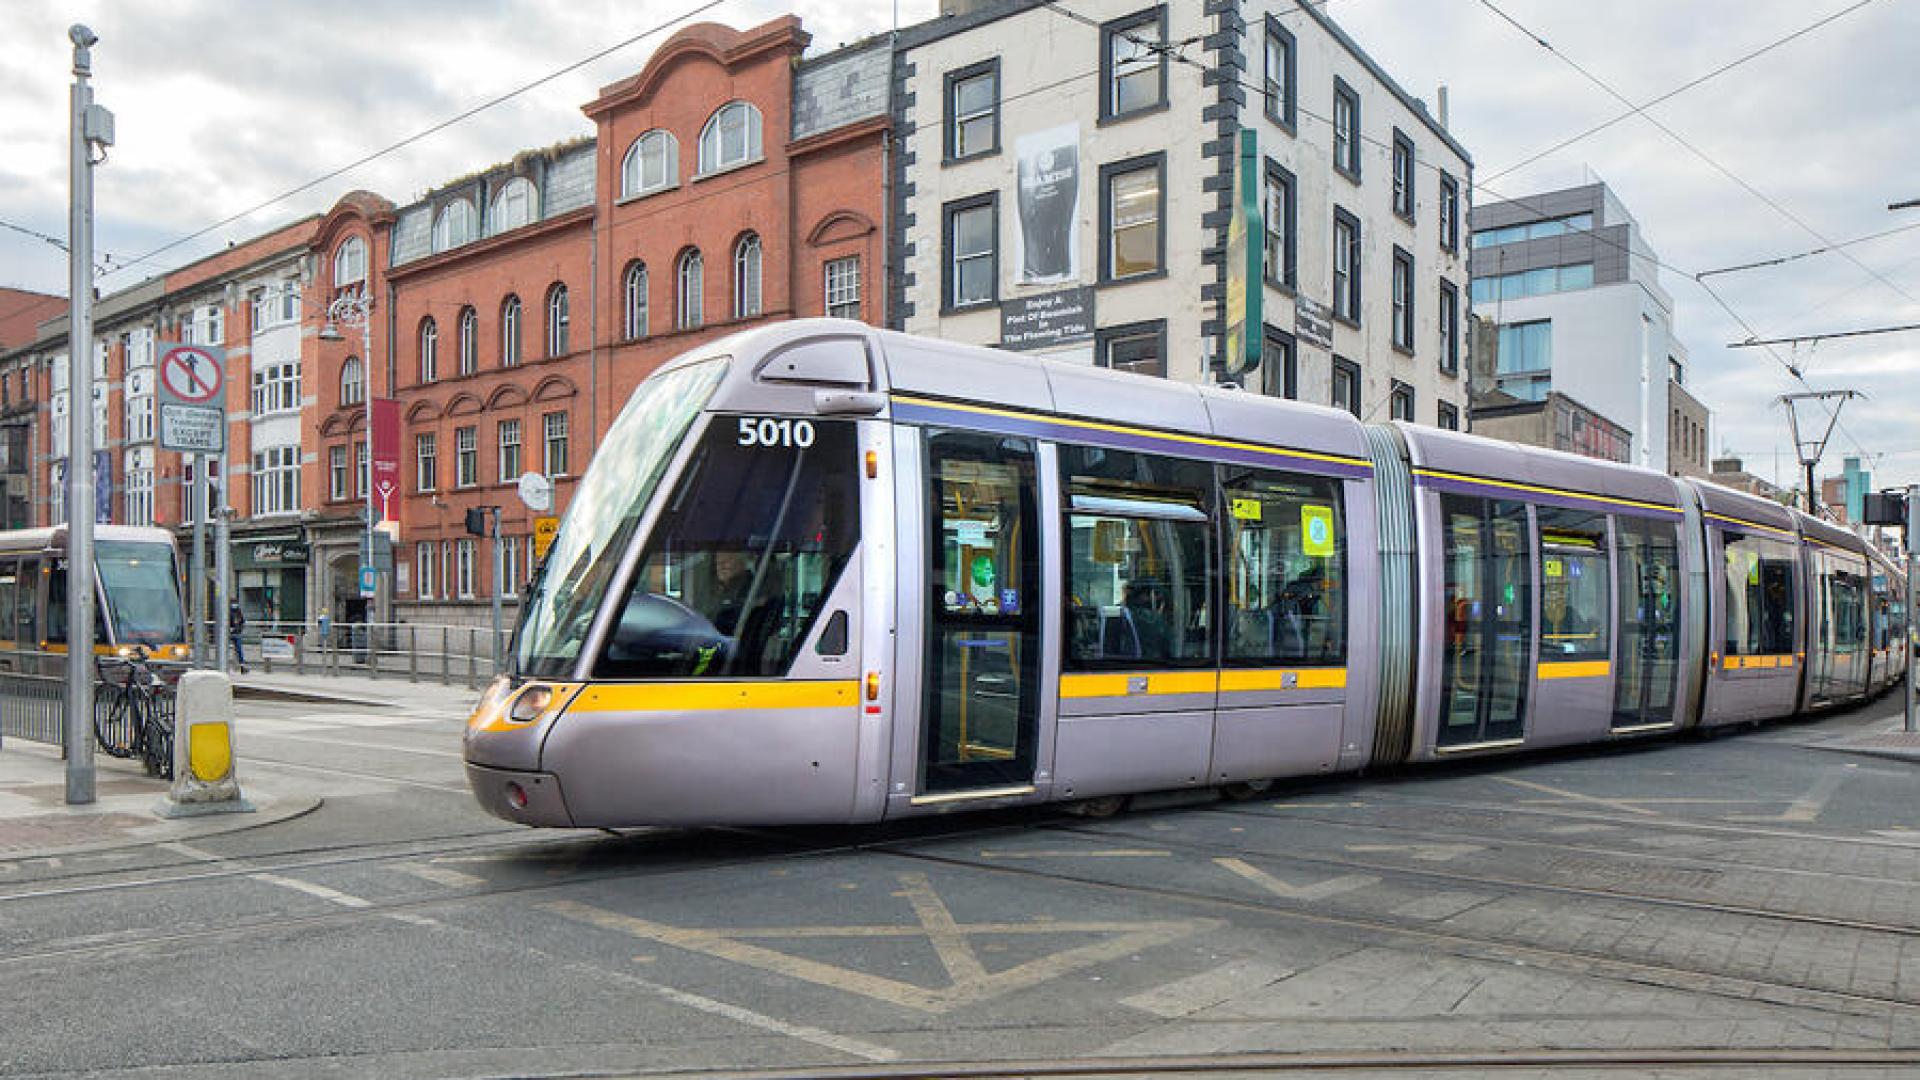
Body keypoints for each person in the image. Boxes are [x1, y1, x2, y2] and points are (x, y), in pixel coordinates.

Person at [228, 601, 249, 674]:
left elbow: (242, 622)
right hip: (233, 634)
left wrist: (239, 629)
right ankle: (241, 666)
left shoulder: (237, 612)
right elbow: (242, 622)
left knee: (238, 650)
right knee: (238, 650)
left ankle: (241, 666)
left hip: (235, 633)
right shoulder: (232, 612)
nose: (234, 605)